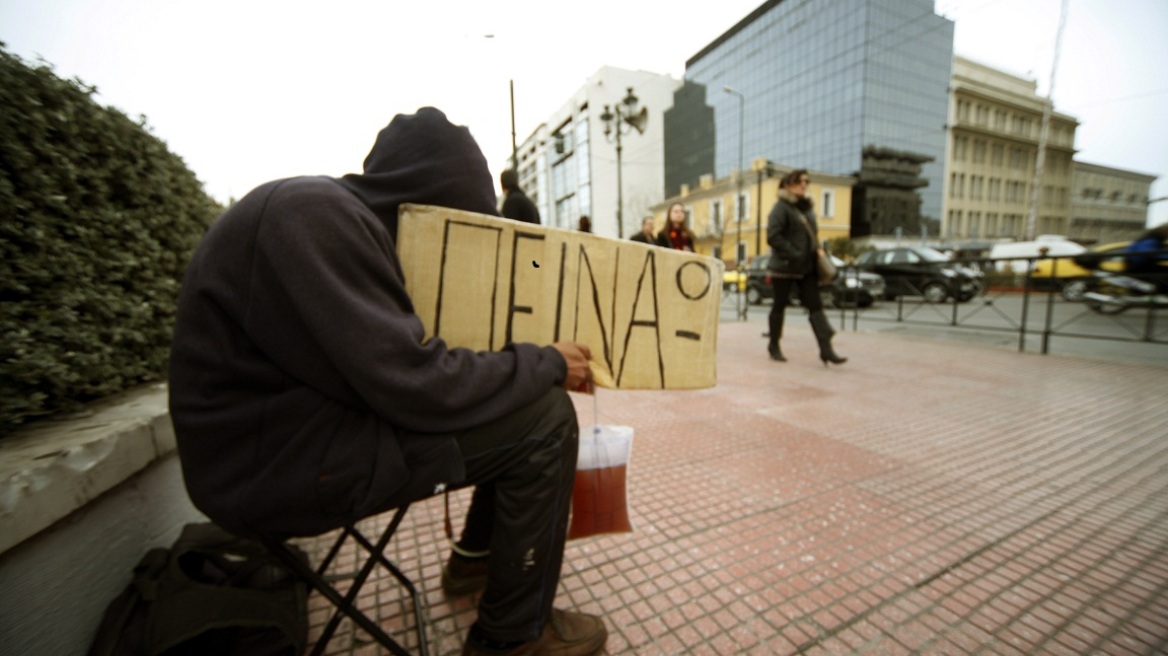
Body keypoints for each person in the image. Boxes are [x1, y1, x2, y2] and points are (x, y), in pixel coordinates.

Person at [168, 107, 607, 656]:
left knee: (516, 397)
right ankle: (511, 638)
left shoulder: (333, 218)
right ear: (433, 204)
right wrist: (544, 363)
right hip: (271, 471)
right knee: (544, 419)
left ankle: (473, 562)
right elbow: (416, 384)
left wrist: (520, 367)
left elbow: (400, 367)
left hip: (285, 444)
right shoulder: (315, 217)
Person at [764, 169, 846, 366]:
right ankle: (774, 345)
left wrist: (816, 251)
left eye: (806, 181)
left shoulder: (807, 209)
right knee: (779, 306)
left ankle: (826, 350)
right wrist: (795, 253)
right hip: (784, 267)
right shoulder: (781, 208)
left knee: (815, 307)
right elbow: (773, 236)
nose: (803, 184)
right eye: (799, 181)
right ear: (787, 184)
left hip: (807, 268)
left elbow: (811, 236)